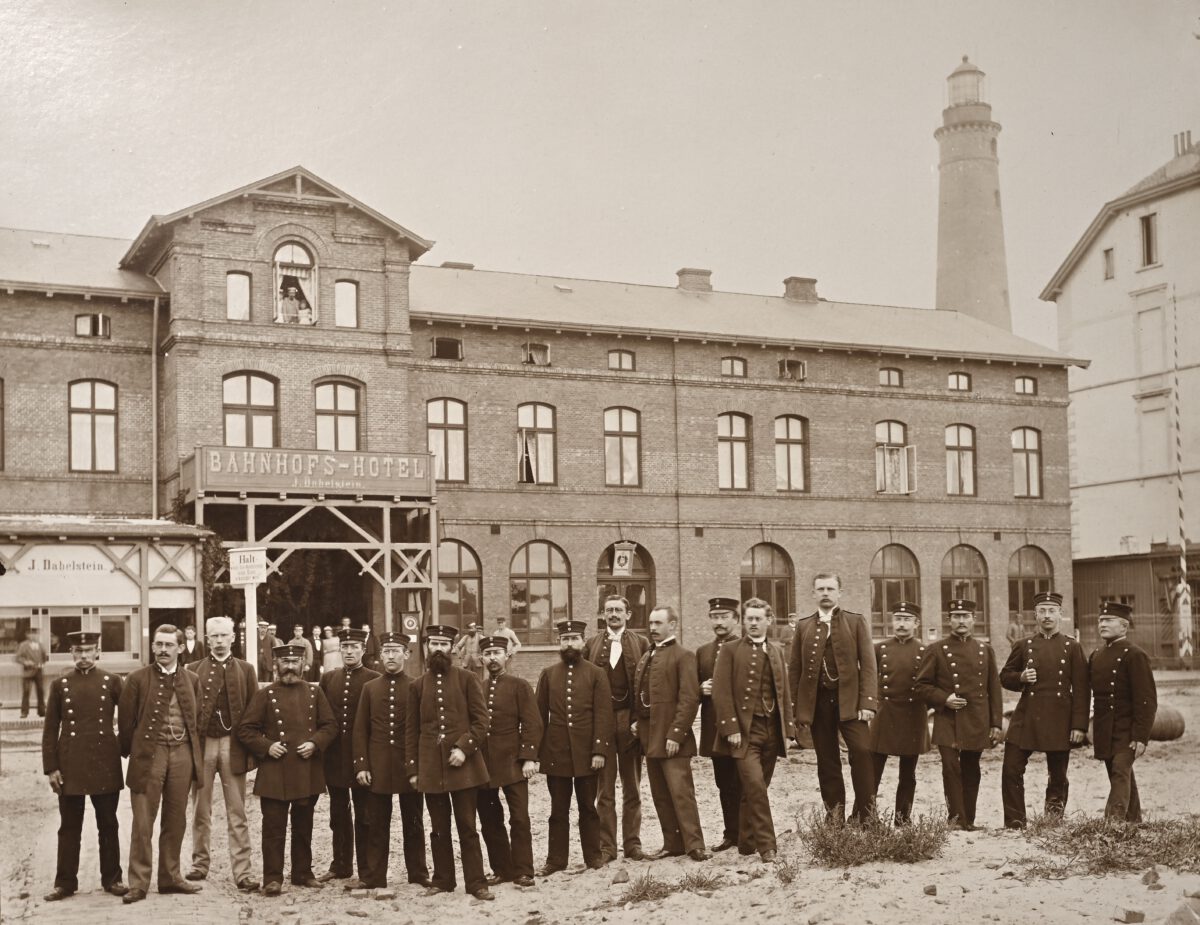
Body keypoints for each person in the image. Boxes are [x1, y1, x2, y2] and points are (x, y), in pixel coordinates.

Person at [237, 643, 337, 896]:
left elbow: (330, 726)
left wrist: (315, 744)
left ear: (304, 665)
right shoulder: (265, 694)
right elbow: (246, 730)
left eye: (295, 662)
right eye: (285, 662)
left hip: (306, 769)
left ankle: (303, 873)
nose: (290, 667)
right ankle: (272, 878)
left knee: (304, 825)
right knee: (273, 828)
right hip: (274, 772)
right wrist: (267, 747)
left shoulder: (315, 693)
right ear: (275, 665)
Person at [117, 624, 204, 904]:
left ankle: (170, 877)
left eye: (169, 645)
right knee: (143, 821)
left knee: (176, 819)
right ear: (153, 646)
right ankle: (139, 883)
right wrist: (137, 753)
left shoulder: (192, 679)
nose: (163, 650)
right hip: (149, 756)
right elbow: (126, 723)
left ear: (180, 648)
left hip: (182, 754)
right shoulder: (137, 679)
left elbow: (197, 720)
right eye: (159, 644)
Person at [405, 625, 493, 900]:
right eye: (434, 644)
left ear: (453, 648)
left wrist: (464, 749)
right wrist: (413, 770)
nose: (439, 649)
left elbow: (482, 722)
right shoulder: (417, 685)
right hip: (431, 768)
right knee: (438, 828)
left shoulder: (467, 679)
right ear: (426, 648)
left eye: (444, 644)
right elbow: (411, 730)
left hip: (464, 766)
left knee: (467, 826)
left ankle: (476, 883)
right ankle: (443, 880)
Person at [41, 631, 128, 901]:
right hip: (70, 764)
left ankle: (112, 879)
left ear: (98, 652)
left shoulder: (113, 682)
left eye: (89, 650)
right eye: (78, 651)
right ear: (71, 653)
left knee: (108, 824)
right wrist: (51, 767)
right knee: (69, 826)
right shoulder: (60, 684)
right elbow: (50, 729)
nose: (83, 656)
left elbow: (127, 720)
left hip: (104, 762)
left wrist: (126, 751)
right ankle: (65, 882)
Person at [789, 573, 878, 823]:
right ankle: (835, 816)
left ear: (840, 592)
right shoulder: (804, 626)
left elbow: (869, 665)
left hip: (851, 703)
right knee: (826, 760)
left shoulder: (855, 621)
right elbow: (795, 670)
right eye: (821, 589)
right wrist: (797, 709)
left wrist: (868, 703)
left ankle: (867, 816)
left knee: (861, 753)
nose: (825, 593)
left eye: (830, 588)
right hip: (818, 704)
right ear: (813, 593)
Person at [1000, 591, 1089, 829]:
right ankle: (1015, 822)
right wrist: (1021, 676)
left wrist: (1079, 726)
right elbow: (1004, 677)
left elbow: (1082, 689)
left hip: (1060, 718)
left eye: (1051, 611)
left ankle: (1052, 820)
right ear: (1035, 615)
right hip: (1027, 717)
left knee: (1058, 774)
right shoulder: (1024, 645)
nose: (1047, 616)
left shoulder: (1072, 647)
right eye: (1042, 611)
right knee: (1011, 768)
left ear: (1061, 614)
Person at [712, 598, 791, 862]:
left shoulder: (777, 650)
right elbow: (721, 692)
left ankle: (746, 842)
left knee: (757, 787)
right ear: (743, 621)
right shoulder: (731, 650)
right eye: (749, 619)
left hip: (771, 730)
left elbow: (784, 692)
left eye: (759, 619)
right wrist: (730, 727)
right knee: (755, 785)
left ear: (769, 621)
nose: (754, 624)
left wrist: (787, 732)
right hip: (745, 732)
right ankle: (767, 845)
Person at [185, 616, 261, 891]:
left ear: (233, 638)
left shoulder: (246, 670)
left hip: (233, 746)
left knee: (237, 810)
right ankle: (199, 864)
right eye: (214, 636)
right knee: (200, 809)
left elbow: (254, 712)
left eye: (223, 636)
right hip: (204, 745)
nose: (219, 641)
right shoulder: (192, 669)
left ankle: (242, 872)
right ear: (207, 638)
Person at [914, 599, 1003, 831]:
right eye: (956, 616)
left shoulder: (985, 650)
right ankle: (956, 819)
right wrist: (945, 699)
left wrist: (995, 723)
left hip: (976, 719)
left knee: (972, 768)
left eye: (965, 616)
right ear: (949, 620)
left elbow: (994, 690)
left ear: (974, 619)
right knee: (951, 767)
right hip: (947, 719)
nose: (961, 621)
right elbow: (921, 686)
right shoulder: (936, 650)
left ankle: (969, 820)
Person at [352, 632, 430, 889]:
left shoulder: (417, 686)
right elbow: (360, 729)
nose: (390, 656)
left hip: (409, 765)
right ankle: (374, 876)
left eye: (396, 650)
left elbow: (422, 730)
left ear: (407, 654)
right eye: (386, 651)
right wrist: (362, 764)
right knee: (376, 823)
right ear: (380, 655)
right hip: (378, 766)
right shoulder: (370, 688)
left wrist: (418, 765)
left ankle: (418, 873)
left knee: (414, 821)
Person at [535, 620, 613, 875]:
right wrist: (537, 754)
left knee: (588, 808)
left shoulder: (596, 674)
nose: (569, 643)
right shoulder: (548, 674)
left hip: (587, 755)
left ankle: (593, 856)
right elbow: (539, 717)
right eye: (565, 638)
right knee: (558, 810)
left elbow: (603, 715)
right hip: (556, 754)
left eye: (574, 638)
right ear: (559, 642)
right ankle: (556, 860)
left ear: (583, 641)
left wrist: (599, 751)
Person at [632, 605, 709, 861]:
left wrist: (676, 734)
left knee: (681, 792)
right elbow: (643, 695)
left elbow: (689, 699)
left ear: (673, 625)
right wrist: (637, 721)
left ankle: (695, 844)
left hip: (673, 740)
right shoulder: (647, 656)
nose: (653, 628)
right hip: (650, 739)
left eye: (658, 623)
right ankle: (672, 843)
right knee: (661, 794)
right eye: (651, 623)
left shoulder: (683, 656)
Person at [583, 594, 648, 862]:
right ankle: (607, 846)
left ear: (628, 615)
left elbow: (647, 685)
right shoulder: (592, 644)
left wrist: (639, 720)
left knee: (632, 787)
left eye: (619, 610)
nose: (613, 615)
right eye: (609, 610)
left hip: (630, 722)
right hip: (603, 725)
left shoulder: (641, 643)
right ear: (602, 614)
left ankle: (632, 844)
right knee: (605, 789)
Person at [477, 635, 543, 888]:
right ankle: (501, 868)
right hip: (484, 764)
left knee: (519, 818)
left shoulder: (520, 685)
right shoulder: (478, 687)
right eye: (487, 653)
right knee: (490, 819)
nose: (492, 658)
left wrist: (528, 758)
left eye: (497, 652)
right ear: (482, 658)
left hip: (513, 762)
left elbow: (532, 723)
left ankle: (524, 870)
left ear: (507, 656)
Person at [318, 627, 380, 884]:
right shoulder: (329, 679)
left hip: (362, 758)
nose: (349, 651)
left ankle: (366, 869)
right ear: (339, 650)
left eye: (354, 647)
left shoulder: (374, 678)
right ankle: (340, 864)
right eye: (345, 647)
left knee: (364, 815)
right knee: (337, 814)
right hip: (335, 758)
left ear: (363, 650)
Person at [1089, 601, 1157, 822]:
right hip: (1105, 729)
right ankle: (1134, 821)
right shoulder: (1097, 655)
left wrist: (1141, 736)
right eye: (1100, 621)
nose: (1102, 625)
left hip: (1128, 731)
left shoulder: (1135, 655)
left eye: (1108, 621)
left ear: (1124, 626)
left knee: (1120, 769)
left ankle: (1113, 824)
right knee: (1118, 773)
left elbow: (1146, 700)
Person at [869, 601, 930, 826]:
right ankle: (867, 817)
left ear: (916, 623)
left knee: (908, 774)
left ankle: (902, 819)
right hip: (885, 714)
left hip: (913, 716)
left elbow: (930, 684)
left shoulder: (925, 651)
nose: (901, 624)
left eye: (906, 620)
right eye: (898, 619)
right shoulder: (880, 648)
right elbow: (869, 678)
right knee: (873, 770)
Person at [696, 596, 741, 852]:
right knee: (723, 782)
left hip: (741, 727)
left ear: (735, 620)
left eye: (725, 617)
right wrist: (700, 688)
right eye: (715, 617)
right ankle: (730, 833)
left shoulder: (745, 646)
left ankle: (748, 832)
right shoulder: (703, 652)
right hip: (714, 727)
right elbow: (691, 689)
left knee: (744, 780)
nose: (719, 622)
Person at [16, 629, 48, 718]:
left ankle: (42, 711)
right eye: (32, 634)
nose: (34, 636)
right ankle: (24, 712)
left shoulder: (40, 645)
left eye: (36, 634)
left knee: (41, 691)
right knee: (26, 692)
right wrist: (26, 662)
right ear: (28, 635)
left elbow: (44, 657)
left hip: (39, 671)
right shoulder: (23, 645)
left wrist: (42, 663)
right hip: (27, 672)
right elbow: (18, 658)